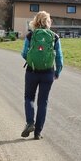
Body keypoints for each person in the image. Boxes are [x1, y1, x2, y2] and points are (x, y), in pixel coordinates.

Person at [21, 11, 63, 139]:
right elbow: (59, 59)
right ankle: (38, 133)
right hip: (47, 73)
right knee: (43, 102)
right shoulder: (54, 37)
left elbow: (23, 53)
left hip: (32, 71)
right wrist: (57, 72)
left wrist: (32, 60)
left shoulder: (30, 36)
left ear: (36, 21)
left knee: (29, 98)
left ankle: (29, 122)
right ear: (48, 22)